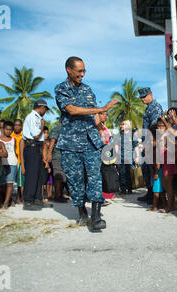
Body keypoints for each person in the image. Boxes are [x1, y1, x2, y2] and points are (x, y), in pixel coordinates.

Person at [55, 56, 118, 230]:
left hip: (91, 142)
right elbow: (71, 110)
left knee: (94, 178)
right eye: (79, 71)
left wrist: (101, 131)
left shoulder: (88, 90)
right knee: (75, 181)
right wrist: (101, 108)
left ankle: (96, 218)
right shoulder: (61, 89)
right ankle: (82, 214)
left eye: (84, 71)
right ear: (69, 69)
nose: (82, 74)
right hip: (70, 144)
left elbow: (93, 115)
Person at [22, 100, 51, 211]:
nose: (45, 112)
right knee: (32, 175)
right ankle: (28, 201)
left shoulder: (37, 118)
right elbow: (36, 135)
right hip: (32, 147)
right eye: (45, 109)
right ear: (41, 107)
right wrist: (42, 126)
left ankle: (37, 198)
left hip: (37, 147)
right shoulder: (32, 117)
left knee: (39, 175)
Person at [137, 87, 163, 205]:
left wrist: (150, 145)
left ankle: (155, 195)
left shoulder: (155, 107)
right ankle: (150, 192)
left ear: (150, 94)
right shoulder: (149, 108)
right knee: (146, 168)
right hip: (148, 142)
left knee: (153, 170)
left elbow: (154, 128)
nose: (142, 99)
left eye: (144, 96)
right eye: (141, 97)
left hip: (152, 143)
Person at [0, 121, 18, 210]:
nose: (8, 131)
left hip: (12, 163)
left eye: (10, 130)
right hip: (1, 164)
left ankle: (6, 203)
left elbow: (13, 151)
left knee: (10, 183)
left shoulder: (14, 139)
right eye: (7, 129)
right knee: (2, 184)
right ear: (3, 129)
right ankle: (7, 199)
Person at [47, 121, 68, 203]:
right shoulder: (57, 129)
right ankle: (58, 196)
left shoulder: (67, 129)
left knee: (62, 177)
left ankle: (60, 194)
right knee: (58, 176)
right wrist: (49, 153)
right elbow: (52, 140)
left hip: (64, 155)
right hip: (57, 155)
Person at [11, 119, 24, 204]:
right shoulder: (10, 135)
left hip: (20, 160)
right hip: (11, 161)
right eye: (15, 125)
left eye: (18, 125)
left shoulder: (24, 135)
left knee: (20, 182)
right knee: (10, 182)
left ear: (21, 126)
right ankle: (10, 199)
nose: (17, 127)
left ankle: (20, 197)